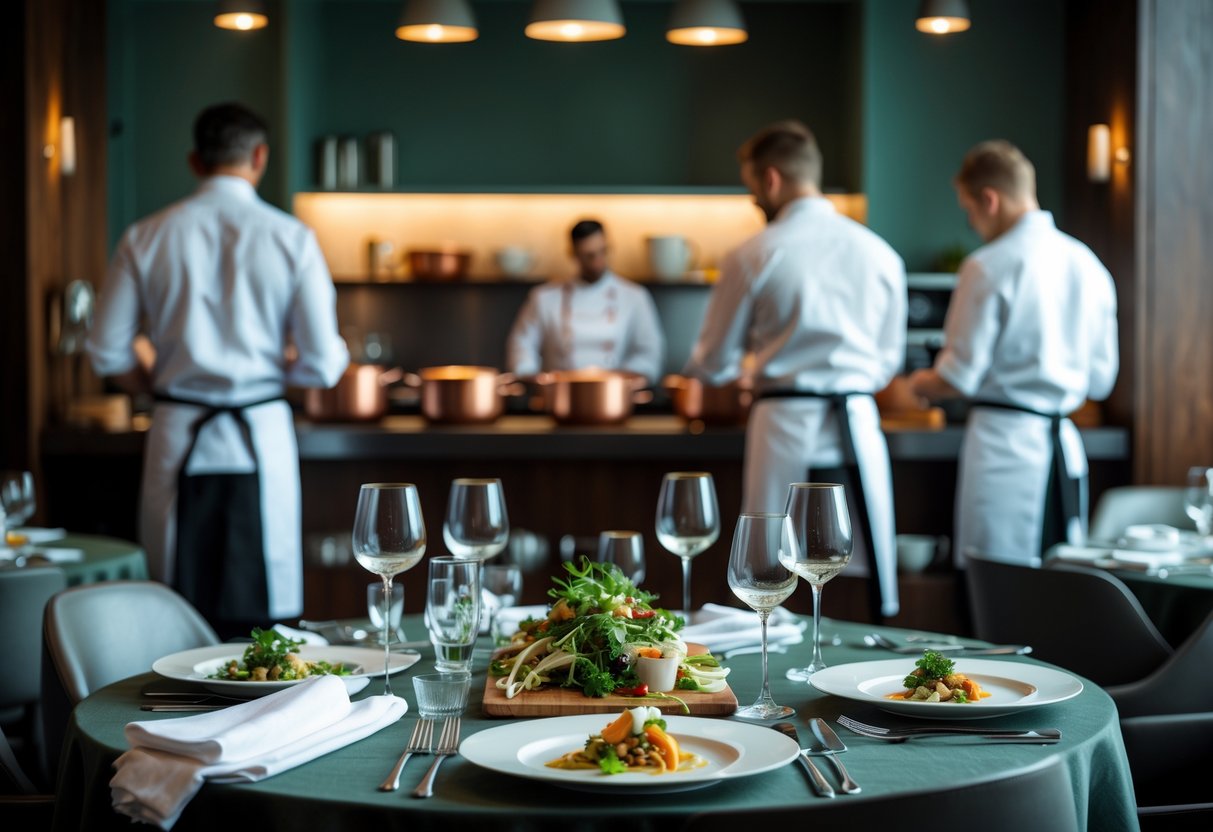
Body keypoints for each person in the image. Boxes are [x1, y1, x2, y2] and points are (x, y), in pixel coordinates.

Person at [86, 102, 348, 636]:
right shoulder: (291, 237)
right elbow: (323, 365)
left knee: (174, 611)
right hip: (262, 426)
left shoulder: (146, 236)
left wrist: (159, 385)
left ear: (194, 161)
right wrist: (281, 369)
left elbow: (106, 352)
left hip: (178, 425)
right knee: (267, 617)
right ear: (260, 157)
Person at [684, 120, 906, 619]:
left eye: (750, 189)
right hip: (857, 422)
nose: (754, 201)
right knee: (854, 572)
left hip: (783, 423)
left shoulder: (754, 252)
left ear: (770, 179)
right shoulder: (880, 253)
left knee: (770, 576)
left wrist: (720, 369)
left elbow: (714, 362)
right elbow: (888, 360)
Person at [908, 140, 1119, 565]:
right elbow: (1101, 380)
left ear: (989, 199)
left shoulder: (988, 264)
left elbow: (957, 377)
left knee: (995, 587)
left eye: (969, 210)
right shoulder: (1088, 264)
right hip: (1064, 444)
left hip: (1004, 447)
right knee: (1062, 582)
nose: (971, 222)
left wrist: (916, 384)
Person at [506, 219, 665, 384]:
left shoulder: (635, 296)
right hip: (559, 395)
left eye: (602, 252)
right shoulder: (544, 298)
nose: (597, 261)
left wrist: (628, 377)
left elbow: (649, 351)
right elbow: (521, 344)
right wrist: (530, 375)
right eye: (589, 256)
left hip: (615, 395)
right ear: (573, 254)